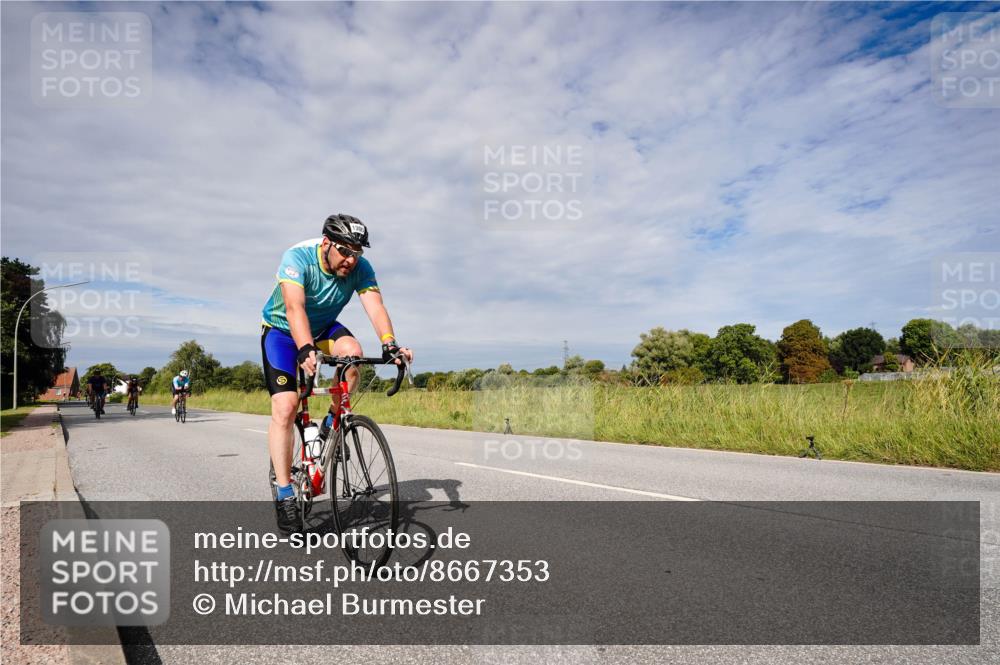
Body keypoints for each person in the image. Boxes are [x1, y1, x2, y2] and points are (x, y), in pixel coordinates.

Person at [261, 214, 412, 534]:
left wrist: (390, 344)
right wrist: (304, 348)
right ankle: (286, 494)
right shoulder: (297, 257)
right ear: (327, 243)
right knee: (286, 406)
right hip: (282, 332)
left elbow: (375, 306)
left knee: (352, 355)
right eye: (344, 251)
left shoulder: (360, 268)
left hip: (323, 328)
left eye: (357, 253)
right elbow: (294, 309)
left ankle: (332, 423)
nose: (350, 260)